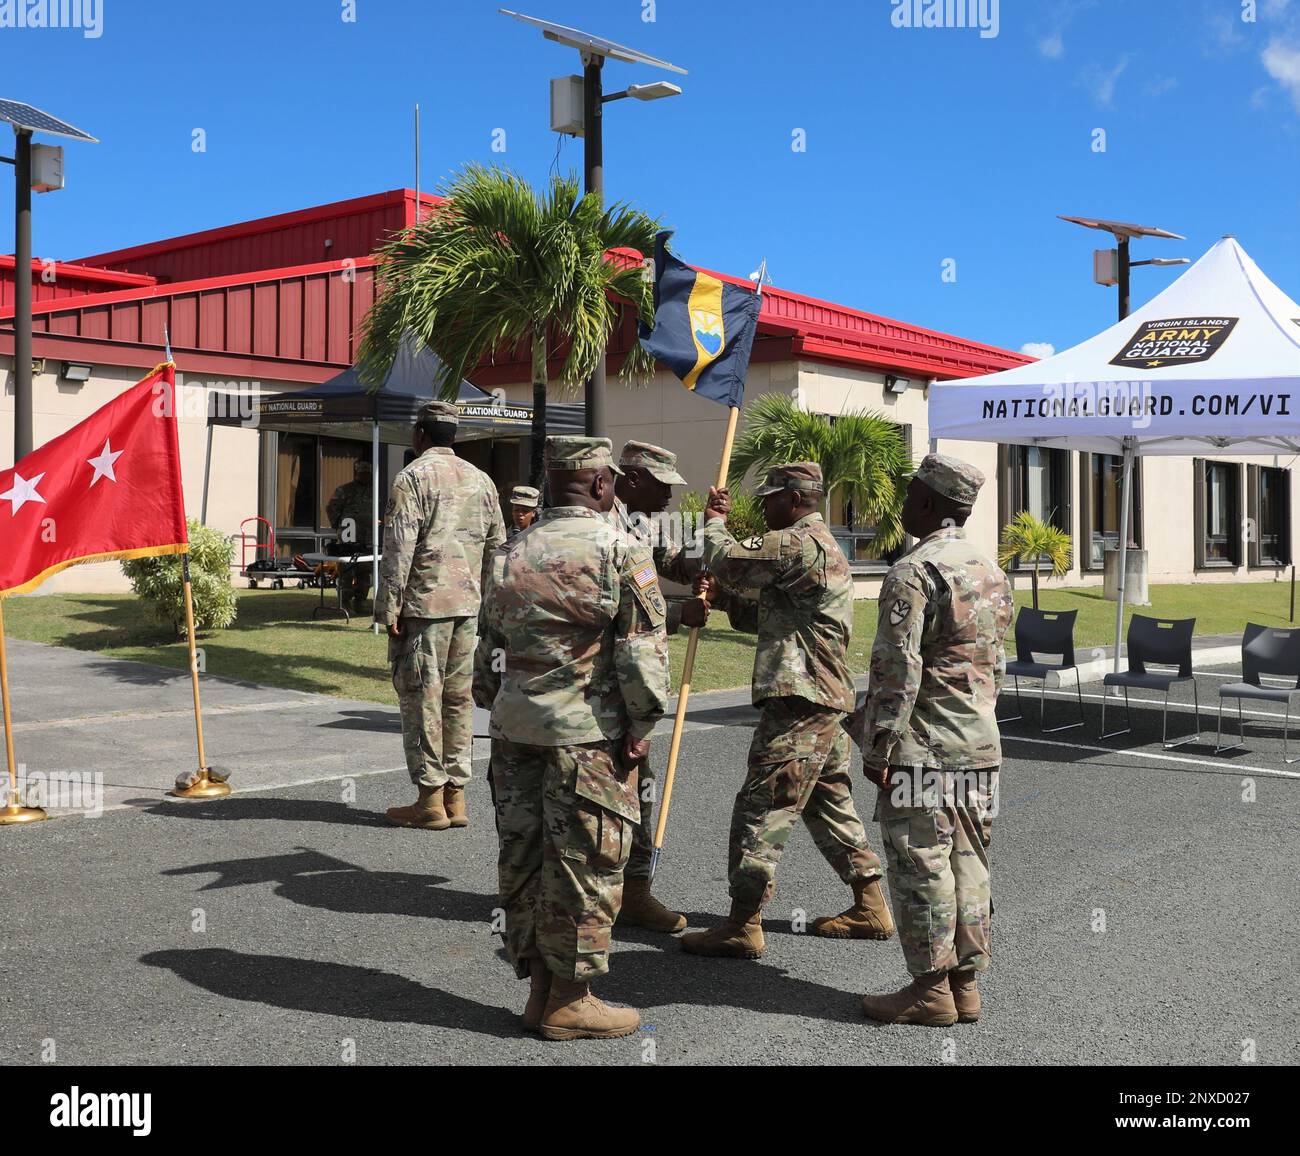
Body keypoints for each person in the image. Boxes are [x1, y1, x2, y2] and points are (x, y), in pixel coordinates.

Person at [473, 436, 669, 1040]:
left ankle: (539, 990)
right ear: (603, 484)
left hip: (514, 733)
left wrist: (503, 704)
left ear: (553, 483)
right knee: (586, 864)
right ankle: (572, 998)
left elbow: (488, 656)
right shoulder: (621, 550)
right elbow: (641, 656)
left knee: (525, 860)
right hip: (587, 738)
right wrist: (641, 726)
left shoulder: (510, 550)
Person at [681, 462, 894, 959]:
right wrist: (722, 603)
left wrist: (714, 522)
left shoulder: (801, 542)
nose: (763, 506)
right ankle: (870, 903)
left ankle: (742, 922)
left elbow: (728, 558)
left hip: (801, 702)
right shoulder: (814, 550)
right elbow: (773, 614)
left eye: (770, 497)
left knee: (762, 807)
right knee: (828, 801)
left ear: (795, 499)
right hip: (821, 701)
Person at [855, 453, 1013, 1027]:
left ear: (926, 502)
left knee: (921, 862)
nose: (903, 503)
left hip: (924, 746)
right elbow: (994, 665)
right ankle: (965, 985)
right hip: (980, 742)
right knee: (970, 860)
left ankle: (929, 989)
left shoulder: (914, 571)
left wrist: (879, 745)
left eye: (910, 494)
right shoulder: (988, 569)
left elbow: (897, 667)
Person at [375, 401, 505, 831]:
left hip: (423, 609)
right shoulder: (482, 480)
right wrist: (490, 607)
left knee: (421, 700)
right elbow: (497, 550)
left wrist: (388, 606)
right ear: (454, 436)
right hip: (469, 609)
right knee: (457, 701)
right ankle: (457, 797)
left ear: (419, 436)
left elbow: (399, 548)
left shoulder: (412, 477)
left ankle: (429, 800)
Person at [609, 439, 704, 935]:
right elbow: (614, 609)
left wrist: (713, 525)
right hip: (607, 686)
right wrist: (677, 612)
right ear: (631, 480)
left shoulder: (641, 524)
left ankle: (633, 891)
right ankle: (606, 893)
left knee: (637, 787)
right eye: (661, 485)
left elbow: (681, 566)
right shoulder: (604, 526)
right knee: (611, 792)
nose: (669, 496)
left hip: (630, 686)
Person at [326, 458, 375, 614]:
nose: (365, 476)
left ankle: (360, 601)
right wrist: (338, 526)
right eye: (362, 473)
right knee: (347, 569)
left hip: (368, 537)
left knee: (365, 570)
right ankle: (345, 602)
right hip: (349, 535)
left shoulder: (375, 489)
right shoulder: (345, 490)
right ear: (356, 474)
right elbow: (332, 508)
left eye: (367, 473)